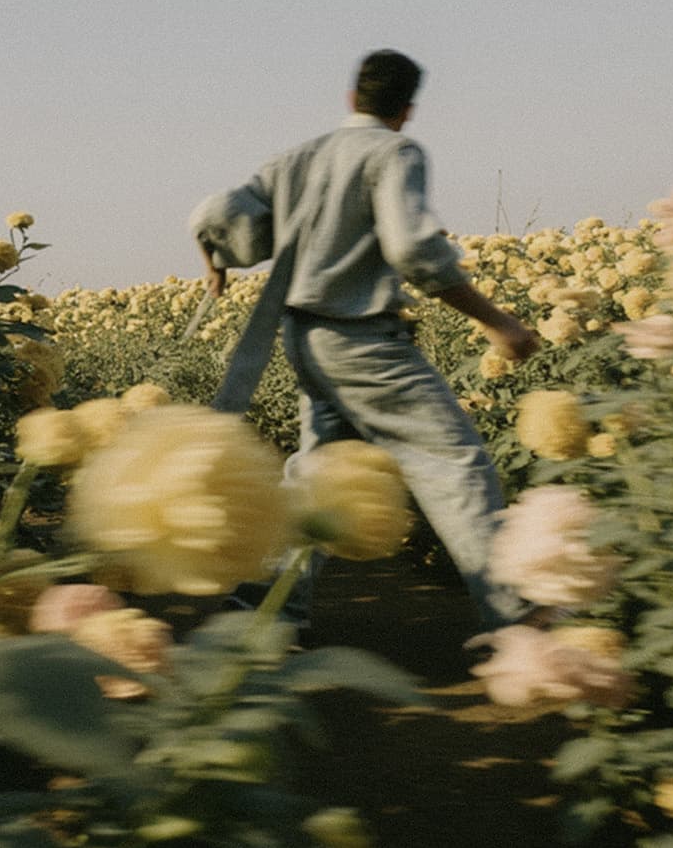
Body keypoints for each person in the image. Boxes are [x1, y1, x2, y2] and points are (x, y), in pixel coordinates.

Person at [189, 49, 542, 642]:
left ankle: (261, 616)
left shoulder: (298, 157)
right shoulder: (395, 152)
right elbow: (412, 251)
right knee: (454, 463)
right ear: (406, 110)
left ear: (352, 98)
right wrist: (496, 320)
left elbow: (218, 214)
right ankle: (518, 620)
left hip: (304, 336)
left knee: (318, 476)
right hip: (361, 342)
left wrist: (214, 261)